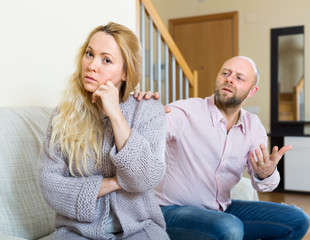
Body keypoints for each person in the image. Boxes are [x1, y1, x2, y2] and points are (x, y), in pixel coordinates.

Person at [134, 56, 310, 239]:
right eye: (225, 73)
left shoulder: (253, 126)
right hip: (169, 212)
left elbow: (263, 185)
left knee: (298, 219)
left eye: (239, 78)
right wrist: (140, 109)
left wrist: (265, 173)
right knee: (229, 227)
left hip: (220, 210)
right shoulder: (184, 112)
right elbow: (143, 135)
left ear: (252, 91)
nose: (229, 79)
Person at [39, 22, 170, 240]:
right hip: (76, 233)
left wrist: (116, 115)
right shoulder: (63, 115)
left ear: (126, 72)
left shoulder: (147, 110)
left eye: (106, 60)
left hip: (140, 230)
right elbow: (50, 185)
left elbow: (146, 178)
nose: (91, 65)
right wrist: (114, 183)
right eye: (89, 54)